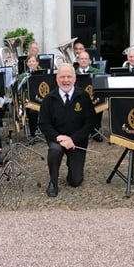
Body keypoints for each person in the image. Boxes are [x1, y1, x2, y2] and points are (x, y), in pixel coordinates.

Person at [38, 63, 99, 197]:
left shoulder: (83, 96)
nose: (66, 80)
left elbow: (90, 122)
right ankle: (53, 182)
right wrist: (58, 137)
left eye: (69, 77)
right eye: (62, 77)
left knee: (75, 181)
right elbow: (43, 123)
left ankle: (72, 163)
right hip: (57, 140)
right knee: (54, 151)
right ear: (57, 78)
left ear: (75, 78)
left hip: (77, 141)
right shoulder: (49, 99)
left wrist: (73, 139)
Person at [15, 54, 42, 140]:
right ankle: (33, 134)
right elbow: (18, 91)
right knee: (33, 111)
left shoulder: (43, 74)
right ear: (27, 64)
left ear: (37, 63)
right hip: (29, 101)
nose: (31, 63)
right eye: (29, 61)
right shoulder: (23, 76)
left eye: (33, 61)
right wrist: (24, 99)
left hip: (42, 100)